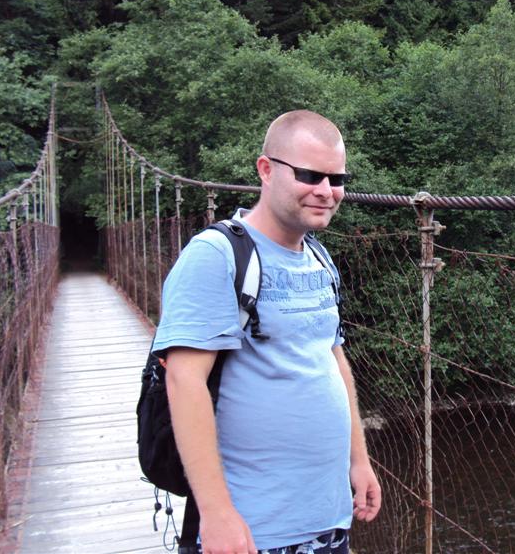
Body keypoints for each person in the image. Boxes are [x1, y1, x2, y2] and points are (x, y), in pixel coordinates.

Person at [152, 110, 381, 554]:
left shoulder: (319, 258)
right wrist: (217, 513)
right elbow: (184, 380)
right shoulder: (216, 255)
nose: (326, 191)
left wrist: (359, 460)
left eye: (337, 179)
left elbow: (333, 360)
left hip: (330, 523)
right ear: (266, 169)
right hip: (255, 533)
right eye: (310, 175)